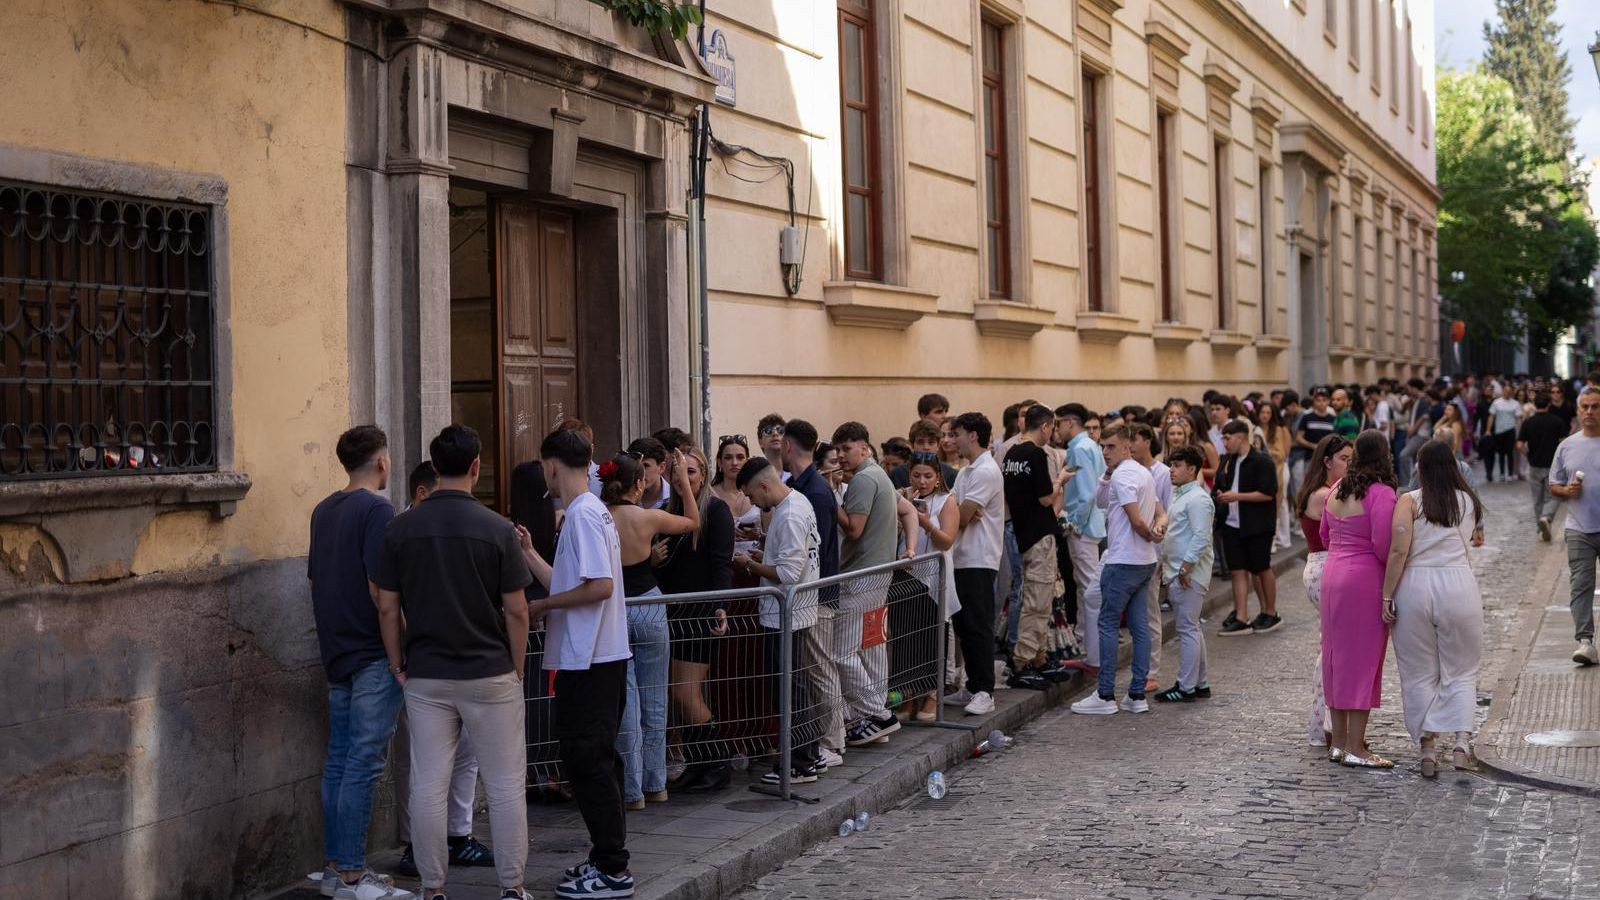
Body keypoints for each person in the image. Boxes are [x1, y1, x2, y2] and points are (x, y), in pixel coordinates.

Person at [373, 425, 533, 900]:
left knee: (427, 784)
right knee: (504, 784)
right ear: (477, 466)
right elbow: (518, 609)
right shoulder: (498, 530)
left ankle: (433, 887)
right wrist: (517, 667)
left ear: (434, 467)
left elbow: (386, 605)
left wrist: (398, 663)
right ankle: (512, 887)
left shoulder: (400, 528)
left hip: (426, 674)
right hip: (490, 672)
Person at [522, 427, 635, 899]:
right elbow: (571, 583)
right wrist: (529, 553)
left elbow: (599, 586)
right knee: (590, 760)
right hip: (588, 658)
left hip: (593, 660)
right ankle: (604, 856)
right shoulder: (586, 513)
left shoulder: (586, 515)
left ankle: (612, 868)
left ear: (551, 465)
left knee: (589, 762)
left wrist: (541, 609)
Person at [308, 426, 409, 900]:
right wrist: (399, 652)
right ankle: (350, 872)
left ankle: (334, 866)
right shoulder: (377, 510)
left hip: (337, 650)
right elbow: (380, 589)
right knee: (364, 762)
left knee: (340, 759)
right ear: (382, 463)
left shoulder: (323, 510)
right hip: (371, 650)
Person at [392, 459, 495, 879]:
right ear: (421, 493)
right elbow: (387, 600)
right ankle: (418, 844)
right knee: (424, 761)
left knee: (466, 751)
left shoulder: (458, 526)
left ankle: (458, 834)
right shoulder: (402, 531)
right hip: (427, 661)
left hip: (460, 658)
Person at [597, 451, 699, 811]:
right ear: (639, 484)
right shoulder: (647, 517)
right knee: (655, 696)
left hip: (617, 609)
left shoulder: (600, 518)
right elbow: (692, 521)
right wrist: (684, 484)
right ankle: (656, 784)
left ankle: (632, 790)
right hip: (650, 606)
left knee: (626, 700)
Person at [1383, 440, 1486, 778]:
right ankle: (1460, 742)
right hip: (1458, 585)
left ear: (1420, 467)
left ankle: (1428, 748)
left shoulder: (1409, 501)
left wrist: (1387, 596)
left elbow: (1399, 552)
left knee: (1418, 671)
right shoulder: (1468, 502)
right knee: (1461, 669)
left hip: (1415, 586)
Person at [734, 456, 826, 786]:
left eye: (750, 495)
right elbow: (793, 557)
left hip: (785, 615)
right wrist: (765, 553)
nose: (752, 503)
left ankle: (799, 764)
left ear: (762, 485)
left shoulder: (787, 515)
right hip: (796, 611)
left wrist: (749, 564)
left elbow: (787, 573)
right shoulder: (798, 501)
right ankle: (810, 755)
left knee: (789, 690)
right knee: (797, 686)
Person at [655, 446, 735, 793]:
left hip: (700, 611)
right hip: (673, 613)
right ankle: (698, 762)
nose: (683, 477)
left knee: (687, 693)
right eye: (677, 471)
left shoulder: (716, 511)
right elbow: (663, 567)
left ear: (703, 475)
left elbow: (721, 562)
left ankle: (718, 761)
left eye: (690, 471)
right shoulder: (666, 512)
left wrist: (721, 606)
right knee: (677, 693)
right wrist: (653, 561)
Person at [1071, 423, 1164, 715]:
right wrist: (1157, 529)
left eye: (1110, 446)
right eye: (1102, 446)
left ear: (1127, 446)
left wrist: (1151, 532)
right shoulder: (1137, 472)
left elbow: (1136, 520)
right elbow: (1102, 501)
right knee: (1139, 627)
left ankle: (1106, 694)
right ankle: (1136, 695)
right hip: (1144, 561)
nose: (1104, 451)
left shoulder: (1125, 475)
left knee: (1108, 624)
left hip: (1124, 560)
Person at [1319, 430, 1399, 768]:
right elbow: (1384, 544)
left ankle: (1337, 741)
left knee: (1335, 659)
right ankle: (1356, 746)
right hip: (1364, 579)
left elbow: (1324, 535)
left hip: (1333, 574)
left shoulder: (1337, 489)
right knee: (1364, 661)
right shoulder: (1381, 494)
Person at [831, 421, 903, 744]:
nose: (841, 456)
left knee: (841, 652)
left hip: (861, 577)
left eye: (847, 449)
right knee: (872, 647)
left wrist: (831, 501)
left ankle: (877, 714)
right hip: (879, 574)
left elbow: (854, 529)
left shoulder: (862, 479)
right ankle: (874, 720)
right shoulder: (880, 476)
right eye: (838, 450)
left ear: (864, 447)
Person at [781, 419, 845, 768]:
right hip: (813, 593)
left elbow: (813, 549)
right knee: (814, 667)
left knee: (820, 667)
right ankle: (829, 738)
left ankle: (832, 741)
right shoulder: (804, 484)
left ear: (790, 446)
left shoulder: (815, 491)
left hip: (818, 594)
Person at [1002, 405, 1073, 689]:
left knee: (1036, 596)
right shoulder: (1035, 453)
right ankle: (1021, 661)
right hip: (1039, 535)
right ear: (1044, 426)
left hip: (1021, 531)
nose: (1052, 433)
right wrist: (1061, 480)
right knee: (1038, 600)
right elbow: (1046, 498)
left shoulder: (1010, 454)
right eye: (1051, 428)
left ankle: (1039, 658)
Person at [944, 412, 1004, 716]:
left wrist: (957, 510)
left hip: (979, 558)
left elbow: (962, 516)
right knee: (964, 624)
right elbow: (951, 506)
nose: (952, 440)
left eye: (957, 434)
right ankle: (971, 684)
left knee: (978, 624)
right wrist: (956, 509)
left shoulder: (985, 471)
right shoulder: (966, 472)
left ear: (973, 436)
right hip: (962, 557)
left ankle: (985, 690)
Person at [1294, 434, 1351, 748]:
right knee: (1332, 653)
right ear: (1327, 461)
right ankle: (1327, 726)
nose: (1349, 465)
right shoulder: (1325, 494)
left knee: (1330, 648)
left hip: (1323, 566)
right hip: (1325, 567)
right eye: (1344, 459)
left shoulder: (1327, 491)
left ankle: (1324, 725)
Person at [903, 450, 963, 718]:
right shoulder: (903, 496)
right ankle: (908, 693)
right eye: (917, 475)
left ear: (937, 477)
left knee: (933, 633)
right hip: (908, 573)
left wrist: (925, 523)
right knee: (909, 634)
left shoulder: (946, 502)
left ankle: (931, 692)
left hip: (934, 575)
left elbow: (946, 540)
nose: (922, 481)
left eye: (928, 476)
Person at [1154, 445, 1213, 703]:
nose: (1171, 470)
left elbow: (1201, 537)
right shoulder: (1181, 495)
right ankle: (1200, 683)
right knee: (1192, 628)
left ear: (1192, 469)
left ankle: (1186, 686)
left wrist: (1185, 567)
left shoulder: (1198, 498)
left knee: (1187, 629)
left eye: (1177, 466)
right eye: (1171, 465)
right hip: (1180, 570)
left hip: (1188, 573)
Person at [1213, 420, 1280, 636]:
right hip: (1232, 524)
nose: (1224, 443)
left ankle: (1270, 611)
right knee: (1237, 571)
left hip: (1257, 525)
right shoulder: (1227, 461)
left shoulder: (1262, 461)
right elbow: (1220, 484)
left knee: (1261, 568)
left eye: (1227, 438)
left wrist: (1237, 496)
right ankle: (1241, 616)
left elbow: (1268, 493)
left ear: (1240, 437)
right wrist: (1220, 496)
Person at [1056, 404, 1107, 675]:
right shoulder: (1090, 445)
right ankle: (1086, 644)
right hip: (1091, 524)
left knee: (1089, 589)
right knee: (1086, 586)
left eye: (1058, 423)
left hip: (1083, 527)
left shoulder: (1079, 447)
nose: (1056, 429)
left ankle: (1093, 654)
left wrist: (1074, 523)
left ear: (1069, 422)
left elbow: (1087, 493)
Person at [1551, 387, 1600, 666]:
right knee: (1580, 585)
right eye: (1585, 407)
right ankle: (1585, 641)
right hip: (1579, 528)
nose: (1590, 412)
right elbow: (1553, 484)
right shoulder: (1567, 445)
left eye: (1595, 407)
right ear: (1579, 410)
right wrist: (1566, 491)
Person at [1129, 421, 1170, 689]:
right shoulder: (1127, 471)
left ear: (1146, 440)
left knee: (1150, 613)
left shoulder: (1163, 473)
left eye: (1133, 439)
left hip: (1152, 552)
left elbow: (1166, 512)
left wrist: (1162, 555)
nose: (1129, 445)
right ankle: (1140, 666)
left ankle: (1151, 670)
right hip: (1129, 554)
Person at [1519, 392, 1567, 541]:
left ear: (1534, 405)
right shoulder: (1557, 421)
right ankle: (1546, 517)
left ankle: (1541, 528)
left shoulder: (1528, 422)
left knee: (1537, 499)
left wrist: (1528, 455)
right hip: (1552, 465)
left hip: (1534, 465)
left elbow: (1519, 444)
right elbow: (1564, 442)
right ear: (1549, 404)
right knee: (1554, 496)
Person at [1256, 402, 1293, 550]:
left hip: (1279, 469)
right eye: (1262, 412)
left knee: (1280, 503)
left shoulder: (1277, 430)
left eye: (1268, 413)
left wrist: (1264, 452)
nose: (1265, 415)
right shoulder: (1256, 430)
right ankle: (1276, 538)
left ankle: (1278, 538)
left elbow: (1282, 453)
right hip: (1264, 470)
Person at [890, 419, 960, 489]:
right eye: (920, 442)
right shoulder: (897, 474)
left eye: (931, 442)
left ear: (938, 445)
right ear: (912, 445)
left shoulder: (951, 474)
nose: (926, 447)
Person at [1485, 384, 1523, 483]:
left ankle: (1510, 474)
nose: (1507, 393)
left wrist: (1518, 433)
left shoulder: (1515, 404)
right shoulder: (1496, 403)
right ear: (1503, 391)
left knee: (1510, 453)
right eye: (1505, 391)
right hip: (1499, 431)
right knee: (1501, 454)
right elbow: (1491, 417)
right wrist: (1488, 430)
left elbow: (1518, 419)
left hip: (1510, 430)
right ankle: (1502, 473)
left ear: (1511, 392)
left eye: (1509, 391)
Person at [627, 437, 672, 510]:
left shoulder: (674, 498)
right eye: (636, 465)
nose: (640, 471)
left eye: (646, 466)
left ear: (661, 467)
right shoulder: (623, 497)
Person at [757, 413, 788, 478]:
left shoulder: (797, 473)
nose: (775, 433)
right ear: (760, 442)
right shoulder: (755, 475)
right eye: (768, 431)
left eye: (780, 430)